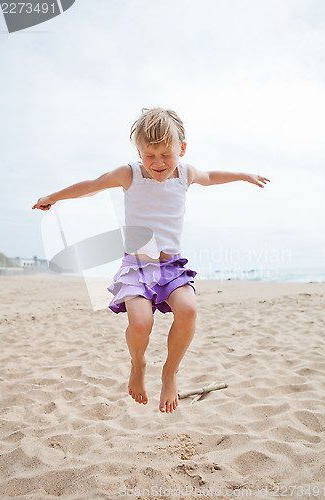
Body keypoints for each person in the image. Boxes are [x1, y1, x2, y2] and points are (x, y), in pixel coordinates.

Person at [32, 107, 270, 414]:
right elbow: (92, 185)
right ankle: (138, 363)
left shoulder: (187, 173)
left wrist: (244, 175)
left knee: (188, 309)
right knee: (141, 323)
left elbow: (211, 177)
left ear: (181, 149)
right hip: (136, 266)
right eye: (149, 155)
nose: (158, 163)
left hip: (171, 267)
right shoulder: (130, 174)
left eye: (166, 155)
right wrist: (53, 196)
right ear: (139, 152)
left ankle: (169, 372)